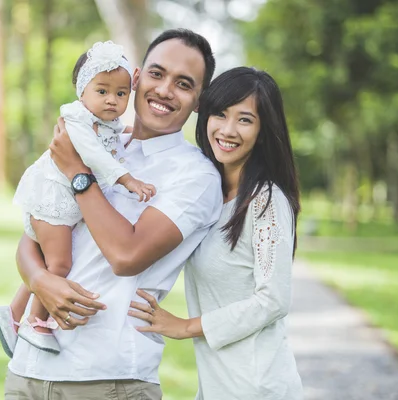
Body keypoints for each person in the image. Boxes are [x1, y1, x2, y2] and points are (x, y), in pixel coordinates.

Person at [4, 29, 222, 399]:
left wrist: (78, 173)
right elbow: (34, 234)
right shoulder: (96, 140)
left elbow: (126, 256)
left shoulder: (195, 175)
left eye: (184, 84)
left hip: (106, 378)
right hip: (29, 371)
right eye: (157, 74)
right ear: (137, 78)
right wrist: (40, 281)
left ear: (199, 100)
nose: (165, 90)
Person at [129, 67, 304, 399]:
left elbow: (273, 299)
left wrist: (184, 327)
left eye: (244, 119)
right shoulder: (210, 192)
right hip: (216, 385)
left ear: (264, 130)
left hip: (256, 387)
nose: (227, 129)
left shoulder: (265, 201)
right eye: (220, 114)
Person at [0, 41, 156, 356]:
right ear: (82, 92)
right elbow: (95, 154)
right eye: (102, 91)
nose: (112, 100)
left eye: (121, 94)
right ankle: (35, 322)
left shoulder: (108, 122)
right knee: (59, 262)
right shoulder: (76, 120)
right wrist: (128, 179)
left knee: (48, 255)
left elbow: (113, 139)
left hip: (63, 200)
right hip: (52, 197)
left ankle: (12, 314)